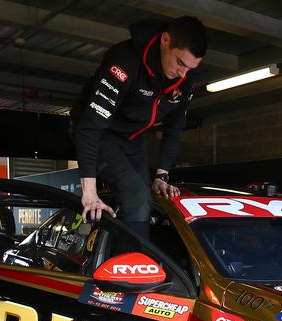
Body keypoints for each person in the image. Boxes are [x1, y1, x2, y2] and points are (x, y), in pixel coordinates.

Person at [72, 16, 208, 238]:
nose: (184, 74)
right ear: (165, 40)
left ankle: (123, 251)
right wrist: (89, 193)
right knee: (136, 196)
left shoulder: (184, 78)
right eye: (181, 63)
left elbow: (175, 128)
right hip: (98, 133)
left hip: (133, 139)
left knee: (145, 200)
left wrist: (162, 174)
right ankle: (134, 269)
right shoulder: (124, 61)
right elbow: (90, 126)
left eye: (191, 68)